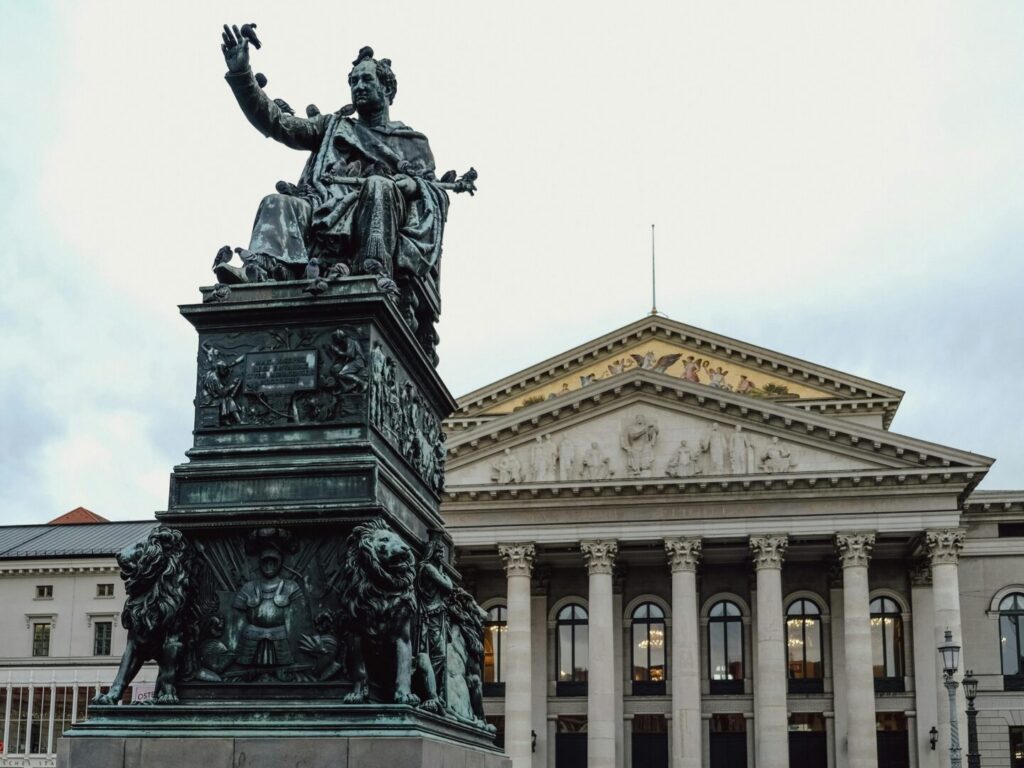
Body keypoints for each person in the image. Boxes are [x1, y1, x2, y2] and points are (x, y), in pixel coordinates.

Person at [218, 27, 452, 285]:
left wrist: (414, 185)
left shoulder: (413, 143)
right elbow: (277, 123)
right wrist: (242, 75)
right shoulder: (331, 126)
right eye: (354, 81)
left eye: (366, 80)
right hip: (321, 207)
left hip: (372, 215)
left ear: (386, 88)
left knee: (379, 186)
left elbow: (436, 195)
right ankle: (263, 270)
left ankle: (373, 272)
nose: (358, 86)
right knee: (277, 202)